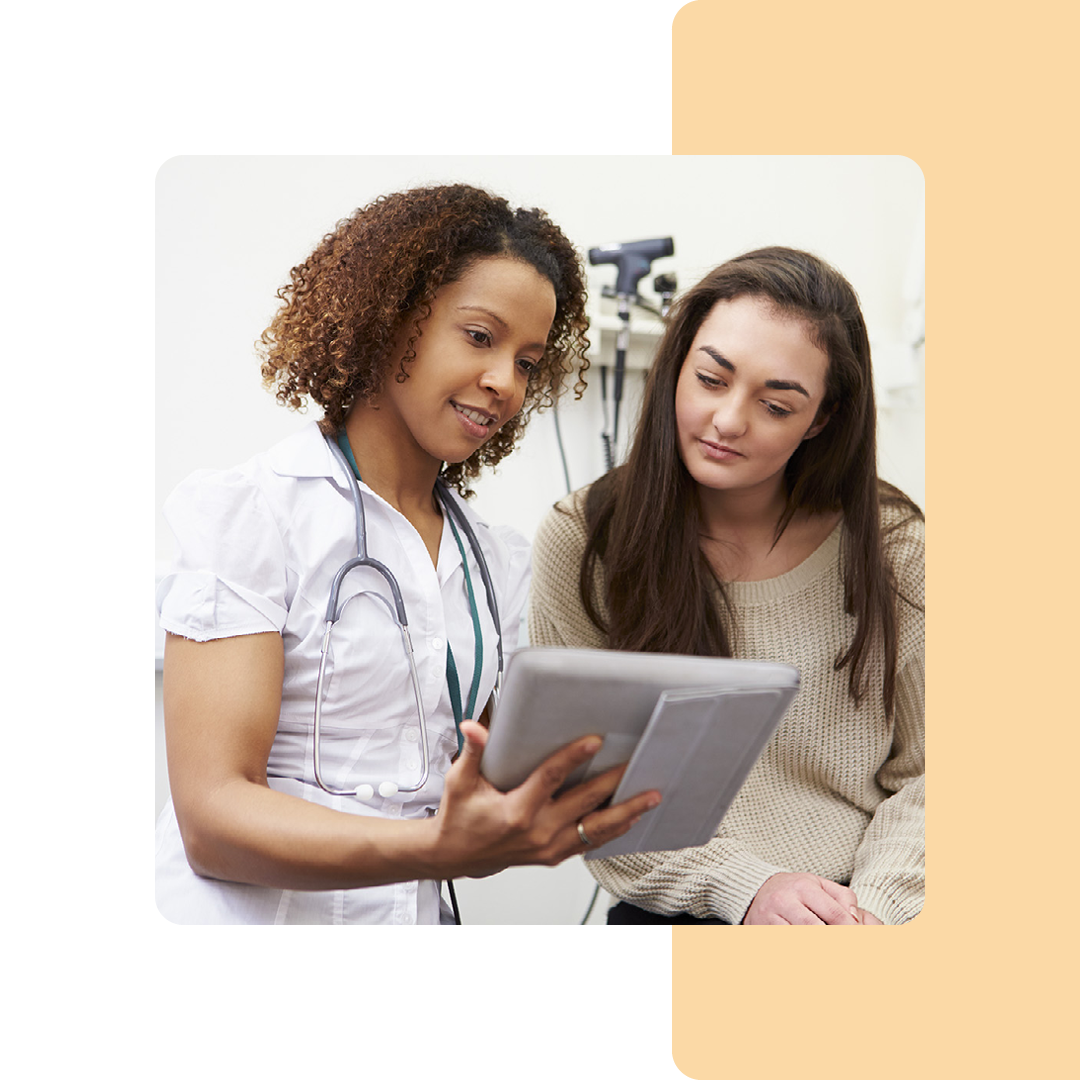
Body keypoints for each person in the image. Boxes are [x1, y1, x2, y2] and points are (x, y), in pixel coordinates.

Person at [155, 184, 661, 924]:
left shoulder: (496, 563)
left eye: (527, 361)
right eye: (480, 337)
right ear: (391, 318)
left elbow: (490, 777)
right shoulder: (253, 514)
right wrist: (432, 847)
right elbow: (214, 821)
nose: (504, 384)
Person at [529, 246, 924, 925]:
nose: (729, 420)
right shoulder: (586, 539)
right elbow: (591, 798)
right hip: (682, 911)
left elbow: (932, 774)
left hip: (863, 916)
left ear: (821, 419)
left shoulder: (892, 548)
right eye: (712, 379)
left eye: (775, 404)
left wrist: (872, 914)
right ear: (678, 365)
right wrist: (748, 888)